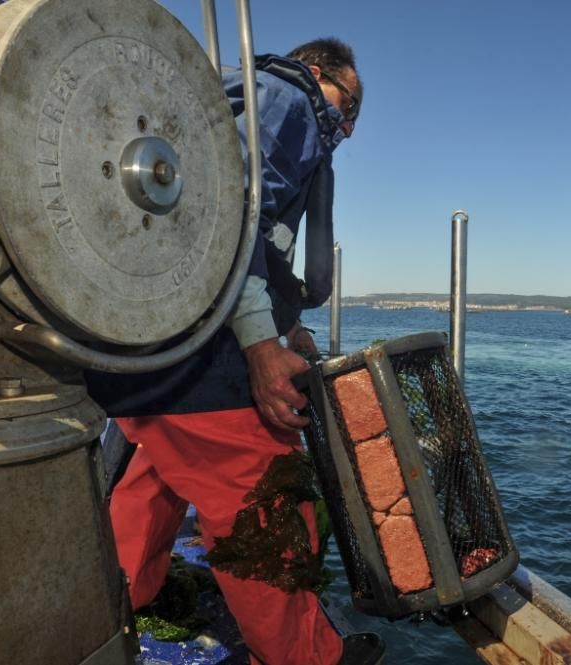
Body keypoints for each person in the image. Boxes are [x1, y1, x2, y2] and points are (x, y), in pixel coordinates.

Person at [86, 38, 384, 665]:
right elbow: (236, 211)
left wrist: (282, 326)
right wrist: (258, 347)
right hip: (202, 356)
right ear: (316, 71)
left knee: (157, 467)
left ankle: (118, 598)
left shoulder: (242, 103)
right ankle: (308, 658)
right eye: (348, 102)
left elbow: (251, 241)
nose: (350, 126)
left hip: (152, 353)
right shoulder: (290, 98)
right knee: (265, 495)